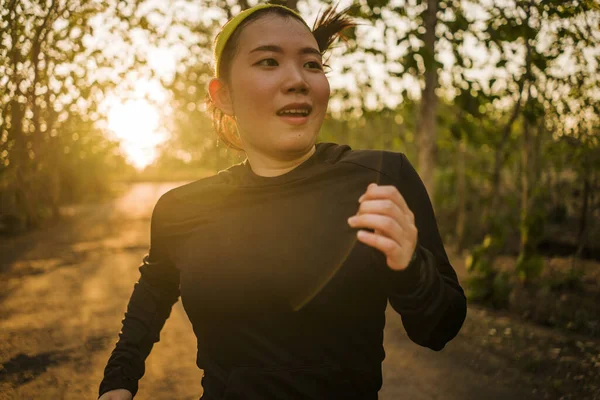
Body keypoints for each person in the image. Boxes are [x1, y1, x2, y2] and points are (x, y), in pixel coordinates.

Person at [98, 3, 467, 400]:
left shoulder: (379, 181)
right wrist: (118, 382)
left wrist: (411, 267)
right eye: (269, 62)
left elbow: (438, 329)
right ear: (223, 96)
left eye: (312, 65)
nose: (297, 80)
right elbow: (152, 294)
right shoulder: (182, 210)